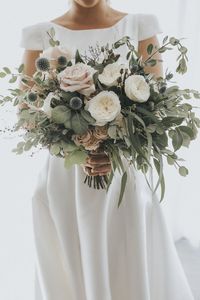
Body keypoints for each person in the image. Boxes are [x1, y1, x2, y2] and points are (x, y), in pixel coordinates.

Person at [19, 1, 194, 299]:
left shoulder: (139, 27)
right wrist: (83, 145)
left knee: (125, 260)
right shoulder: (40, 35)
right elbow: (27, 114)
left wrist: (110, 149)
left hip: (121, 177)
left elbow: (155, 107)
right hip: (64, 180)